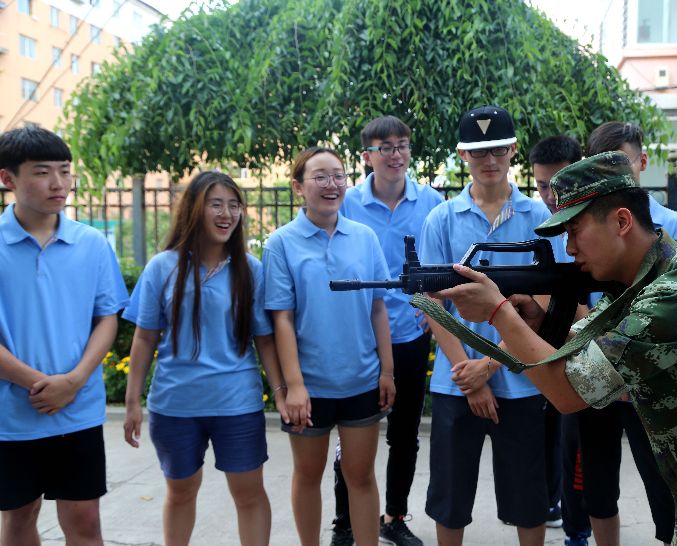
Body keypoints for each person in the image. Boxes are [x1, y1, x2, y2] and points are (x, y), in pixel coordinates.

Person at [434, 150, 677, 544]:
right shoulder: (657, 269)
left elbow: (568, 392)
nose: (569, 249)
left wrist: (498, 311)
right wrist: (535, 322)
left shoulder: (675, 296)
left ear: (621, 221)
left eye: (575, 231)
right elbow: (592, 346)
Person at [421, 105, 567, 546]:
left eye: (498, 150)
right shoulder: (441, 219)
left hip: (523, 379)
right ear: (464, 154)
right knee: (450, 497)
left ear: (513, 150)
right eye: (479, 151)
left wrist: (491, 363)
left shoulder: (539, 219)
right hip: (457, 381)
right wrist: (471, 373)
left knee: (529, 496)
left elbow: (545, 297)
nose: (490, 161)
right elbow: (430, 301)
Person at [122, 171, 278, 546]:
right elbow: (144, 338)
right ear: (195, 209)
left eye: (234, 205)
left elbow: (265, 340)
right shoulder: (163, 267)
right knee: (180, 492)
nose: (227, 213)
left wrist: (283, 390)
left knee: (249, 493)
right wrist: (132, 402)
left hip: (236, 404)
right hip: (175, 405)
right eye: (216, 204)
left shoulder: (251, 269)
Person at [573, 121, 677, 546]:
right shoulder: (584, 224)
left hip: (653, 377)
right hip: (599, 362)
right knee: (596, 478)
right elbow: (577, 294)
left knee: (664, 479)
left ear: (642, 162)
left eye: (621, 164)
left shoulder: (675, 228)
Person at [0, 127, 128, 545]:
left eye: (65, 171)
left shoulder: (91, 243)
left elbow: (106, 318)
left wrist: (72, 383)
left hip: (78, 409)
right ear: (8, 179)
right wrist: (37, 385)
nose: (58, 183)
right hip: (11, 416)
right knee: (19, 518)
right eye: (42, 172)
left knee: (86, 522)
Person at [264, 147, 395, 546]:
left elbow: (377, 308)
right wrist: (293, 385)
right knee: (307, 475)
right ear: (298, 187)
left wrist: (386, 371)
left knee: (361, 475)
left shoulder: (365, 237)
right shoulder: (281, 244)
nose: (331, 185)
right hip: (309, 387)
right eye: (320, 177)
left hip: (359, 379)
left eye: (338, 175)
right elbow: (281, 318)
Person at [331, 116, 443, 546]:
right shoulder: (348, 203)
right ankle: (345, 523)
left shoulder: (431, 202)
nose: (396, 155)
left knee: (404, 434)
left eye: (402, 146)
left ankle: (394, 517)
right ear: (367, 157)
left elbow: (444, 265)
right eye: (386, 147)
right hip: (359, 339)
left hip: (411, 336)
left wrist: (436, 306)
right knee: (351, 436)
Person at [529, 135, 592, 546]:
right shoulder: (547, 224)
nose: (549, 196)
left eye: (557, 185)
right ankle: (572, 525)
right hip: (567, 355)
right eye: (540, 186)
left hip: (596, 354)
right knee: (565, 450)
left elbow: (599, 321)